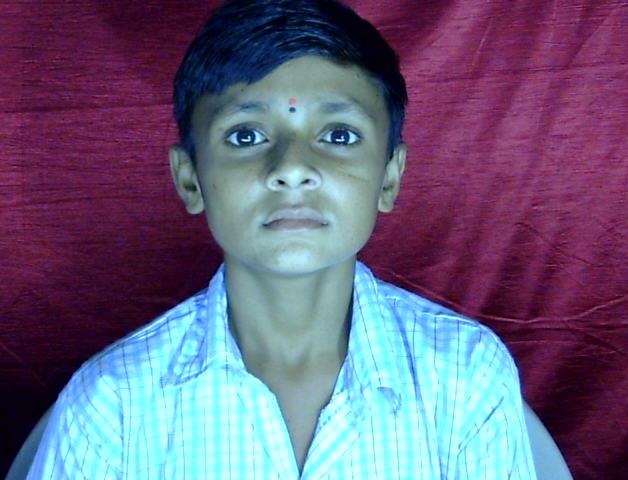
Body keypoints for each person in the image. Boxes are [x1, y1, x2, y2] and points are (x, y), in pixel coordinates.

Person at [28, 0, 536, 478]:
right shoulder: (113, 406)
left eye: (338, 135)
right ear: (190, 179)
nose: (292, 168)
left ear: (389, 177)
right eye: (246, 136)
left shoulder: (466, 378)